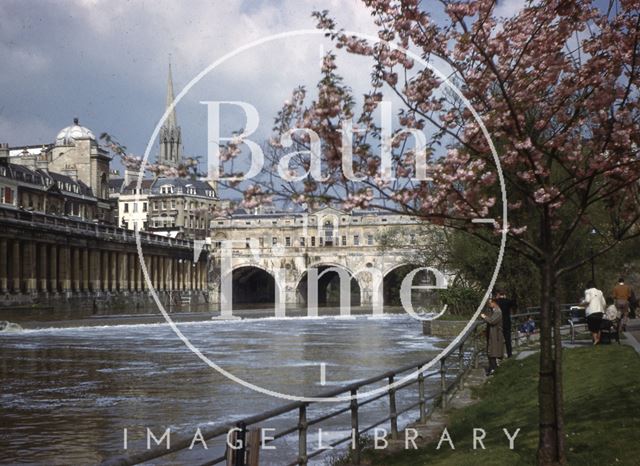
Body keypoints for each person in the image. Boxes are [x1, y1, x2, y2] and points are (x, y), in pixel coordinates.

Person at [480, 298, 504, 375]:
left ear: (494, 303)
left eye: (490, 303)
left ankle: (493, 368)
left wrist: (484, 317)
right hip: (492, 334)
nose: (489, 304)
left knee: (492, 351)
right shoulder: (494, 311)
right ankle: (492, 368)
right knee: (490, 351)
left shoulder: (498, 312)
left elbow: (492, 321)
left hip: (495, 335)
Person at [581, 281, 606, 345]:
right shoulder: (600, 292)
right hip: (600, 312)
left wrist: (582, 303)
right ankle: (598, 339)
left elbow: (587, 300)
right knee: (598, 326)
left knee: (592, 327)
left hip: (591, 312)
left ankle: (595, 340)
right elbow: (604, 303)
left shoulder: (587, 291)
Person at [495, 290, 517, 358]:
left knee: (498, 339)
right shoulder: (508, 301)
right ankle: (509, 354)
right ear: (504, 294)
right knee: (508, 339)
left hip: (499, 323)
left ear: (498, 294)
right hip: (507, 322)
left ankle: (499, 355)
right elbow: (515, 305)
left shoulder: (496, 302)